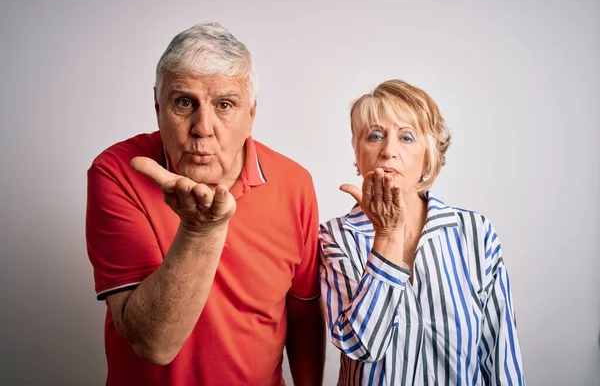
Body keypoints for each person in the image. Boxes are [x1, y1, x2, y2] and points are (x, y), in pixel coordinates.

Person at [86, 22, 325, 386]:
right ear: (158, 107)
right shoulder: (117, 172)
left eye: (225, 104)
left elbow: (303, 309)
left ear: (251, 114)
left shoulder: (295, 183)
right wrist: (200, 230)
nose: (203, 127)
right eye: (184, 102)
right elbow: (152, 343)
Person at [319, 79, 525, 385]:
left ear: (428, 154)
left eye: (406, 137)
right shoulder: (336, 236)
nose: (389, 150)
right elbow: (361, 345)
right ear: (357, 153)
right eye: (375, 136)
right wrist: (387, 235)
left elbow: (499, 354)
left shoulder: (474, 233)